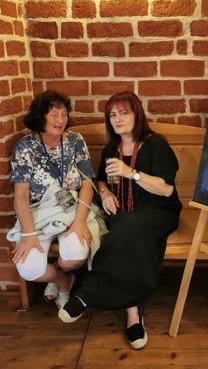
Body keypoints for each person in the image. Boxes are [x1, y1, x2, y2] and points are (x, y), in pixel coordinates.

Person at [58, 91, 182, 350]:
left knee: (127, 228)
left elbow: (166, 189)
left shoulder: (156, 145)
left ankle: (86, 295)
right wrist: (104, 193)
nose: (117, 119)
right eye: (112, 115)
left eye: (124, 113)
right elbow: (102, 179)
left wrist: (131, 173)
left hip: (158, 211)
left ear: (137, 115)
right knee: (124, 229)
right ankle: (133, 313)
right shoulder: (110, 150)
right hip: (124, 212)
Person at [8, 90, 105, 309]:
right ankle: (64, 281)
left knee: (74, 256)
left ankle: (61, 273)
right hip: (39, 211)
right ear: (40, 117)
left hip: (73, 207)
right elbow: (20, 195)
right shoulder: (25, 147)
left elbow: (87, 182)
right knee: (29, 269)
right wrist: (28, 234)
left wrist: (80, 221)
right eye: (54, 114)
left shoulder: (75, 141)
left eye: (64, 114)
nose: (60, 120)